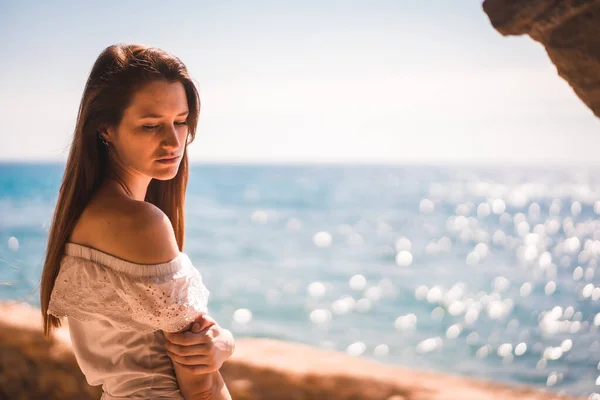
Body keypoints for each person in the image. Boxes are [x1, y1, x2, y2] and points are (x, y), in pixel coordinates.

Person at [39, 43, 234, 399]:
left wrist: (221, 341)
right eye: (150, 125)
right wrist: (222, 347)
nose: (173, 141)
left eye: (181, 121)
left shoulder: (89, 212)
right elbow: (199, 381)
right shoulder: (140, 222)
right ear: (106, 129)